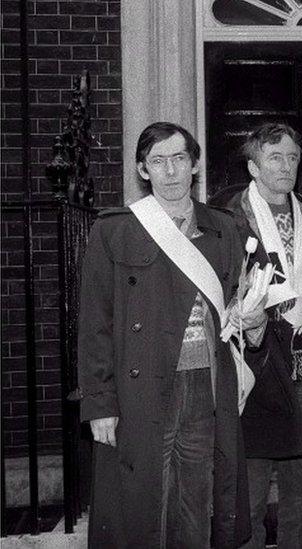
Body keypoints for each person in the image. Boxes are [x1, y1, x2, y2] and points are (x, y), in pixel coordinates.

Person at [78, 122, 262, 548]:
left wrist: (253, 320)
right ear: (143, 170)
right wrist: (99, 402)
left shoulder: (224, 228)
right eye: (158, 162)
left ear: (194, 164)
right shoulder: (114, 230)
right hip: (139, 388)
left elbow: (240, 304)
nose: (170, 171)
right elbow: (95, 323)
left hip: (205, 383)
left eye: (179, 159)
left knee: (195, 500)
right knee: (142, 504)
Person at [222, 123, 302, 549]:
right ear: (253, 167)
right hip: (254, 354)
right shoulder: (228, 216)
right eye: (275, 158)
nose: (286, 166)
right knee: (251, 487)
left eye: (293, 157)